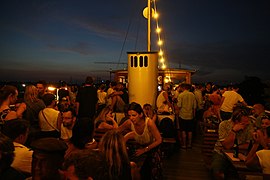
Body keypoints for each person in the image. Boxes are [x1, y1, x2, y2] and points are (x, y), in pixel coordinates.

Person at [118, 102, 162, 179]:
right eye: (129, 115)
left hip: (151, 148)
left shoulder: (149, 123)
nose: (131, 118)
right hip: (139, 148)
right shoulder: (129, 122)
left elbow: (159, 140)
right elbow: (116, 131)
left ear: (141, 114)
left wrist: (145, 149)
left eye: (134, 115)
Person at [211, 106, 254, 179]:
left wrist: (234, 147)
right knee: (216, 170)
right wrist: (233, 131)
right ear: (236, 122)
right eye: (244, 123)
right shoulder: (224, 125)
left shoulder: (249, 126)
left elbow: (247, 145)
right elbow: (227, 146)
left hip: (241, 153)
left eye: (248, 122)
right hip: (221, 153)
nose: (247, 124)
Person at [177, 83, 197, 148]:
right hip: (190, 115)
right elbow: (194, 107)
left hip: (182, 115)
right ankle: (189, 144)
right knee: (190, 131)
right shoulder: (192, 95)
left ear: (183, 88)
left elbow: (179, 106)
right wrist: (194, 115)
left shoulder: (181, 95)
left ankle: (184, 145)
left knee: (183, 130)